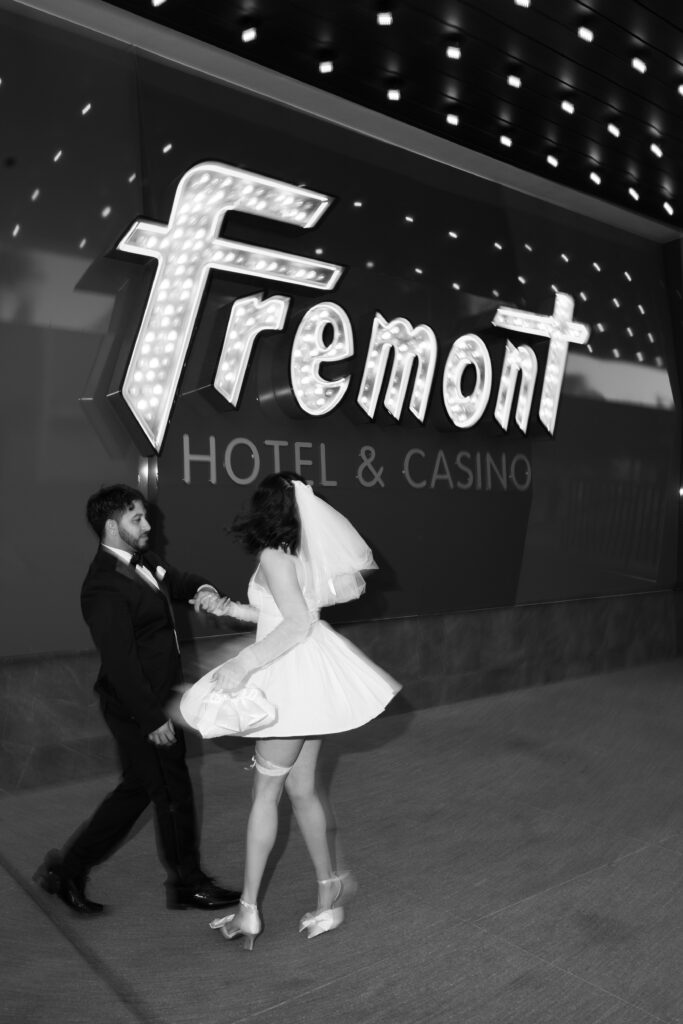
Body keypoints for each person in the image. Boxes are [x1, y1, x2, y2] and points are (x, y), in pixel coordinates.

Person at [179, 472, 401, 950]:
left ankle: (249, 912)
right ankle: (330, 893)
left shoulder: (274, 555)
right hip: (309, 677)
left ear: (263, 508)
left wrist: (244, 663)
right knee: (302, 791)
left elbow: (295, 623)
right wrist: (231, 609)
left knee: (266, 796)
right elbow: (283, 614)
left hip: (288, 681)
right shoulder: (300, 556)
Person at [34, 484, 241, 915]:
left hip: (157, 699)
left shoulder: (144, 560)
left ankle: (65, 870)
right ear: (112, 527)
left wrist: (201, 588)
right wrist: (151, 718)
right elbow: (121, 662)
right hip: (136, 707)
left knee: (138, 791)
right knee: (171, 791)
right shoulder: (102, 587)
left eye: (145, 517)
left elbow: (178, 581)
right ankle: (188, 882)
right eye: (137, 519)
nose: (148, 525)